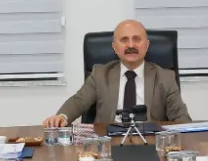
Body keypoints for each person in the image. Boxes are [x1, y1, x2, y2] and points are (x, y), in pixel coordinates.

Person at [43, 20, 192, 126]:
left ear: (146, 45)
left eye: (136, 39)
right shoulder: (100, 74)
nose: (131, 45)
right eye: (124, 40)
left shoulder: (165, 77)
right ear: (115, 47)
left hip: (150, 143)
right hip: (108, 144)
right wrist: (62, 116)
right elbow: (79, 100)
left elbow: (182, 118)